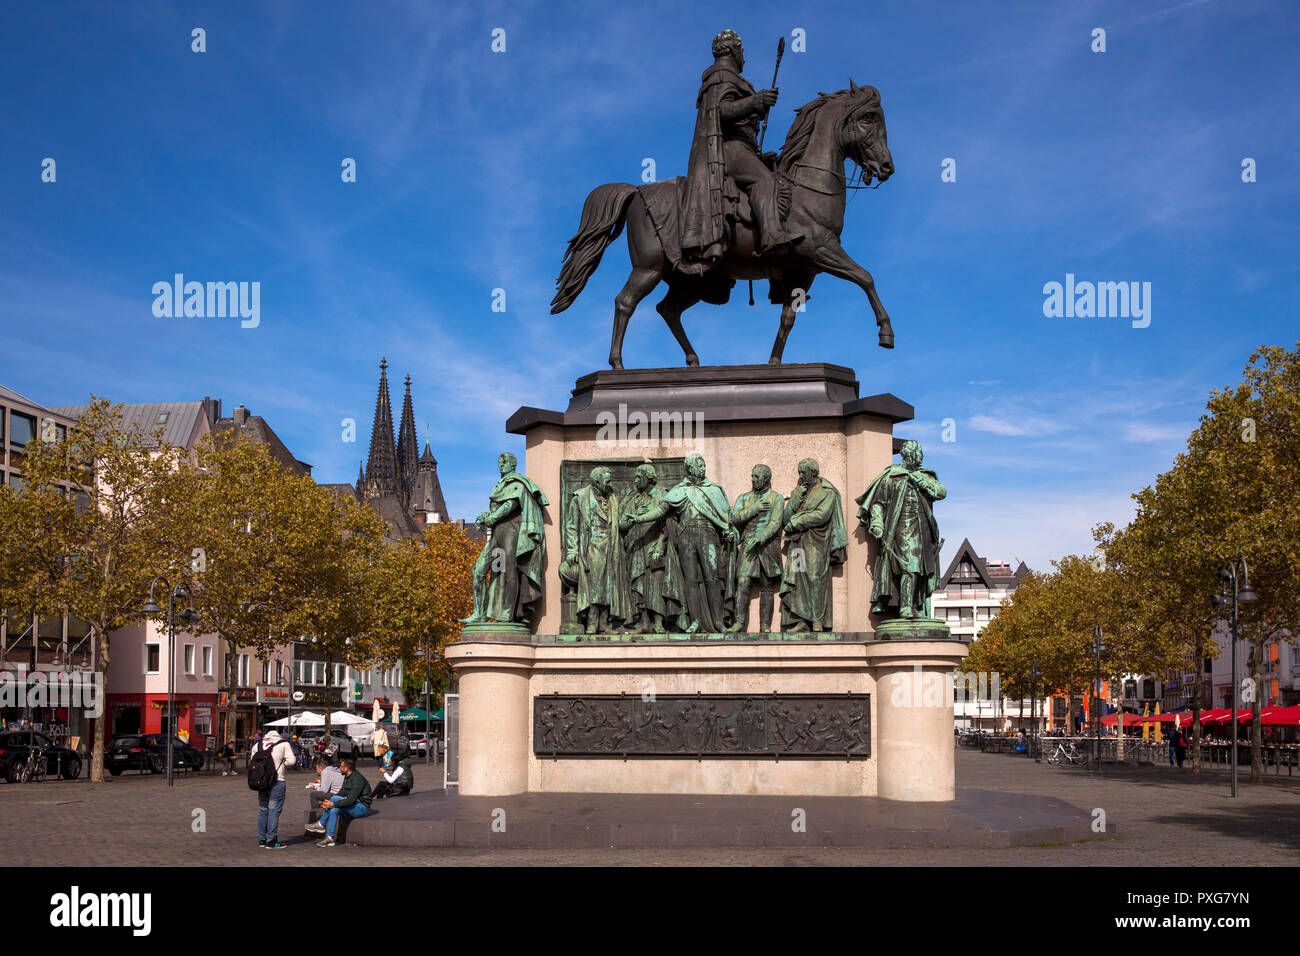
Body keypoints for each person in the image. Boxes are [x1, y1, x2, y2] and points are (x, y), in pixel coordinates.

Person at [251, 728, 296, 849]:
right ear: (278, 736)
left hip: (261, 781)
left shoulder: (257, 745)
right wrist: (281, 763)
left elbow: (252, 762)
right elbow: (292, 761)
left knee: (263, 810)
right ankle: (271, 840)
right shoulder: (283, 744)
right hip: (277, 781)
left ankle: (262, 839)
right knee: (274, 811)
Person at [316, 757, 372, 847]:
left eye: (341, 767)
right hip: (353, 806)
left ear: (346, 768)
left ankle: (320, 824)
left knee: (334, 801)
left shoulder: (357, 779)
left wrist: (332, 803)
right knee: (334, 810)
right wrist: (328, 802)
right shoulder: (347, 776)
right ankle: (330, 838)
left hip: (362, 808)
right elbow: (342, 793)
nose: (339, 768)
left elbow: (351, 800)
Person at [304, 755, 344, 834]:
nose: (316, 771)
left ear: (320, 768)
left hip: (335, 795)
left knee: (313, 795)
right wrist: (321, 784)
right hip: (341, 792)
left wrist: (314, 787)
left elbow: (324, 790)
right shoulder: (333, 770)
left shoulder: (325, 771)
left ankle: (316, 818)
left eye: (316, 769)